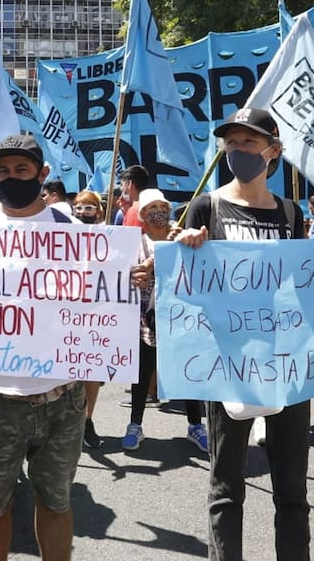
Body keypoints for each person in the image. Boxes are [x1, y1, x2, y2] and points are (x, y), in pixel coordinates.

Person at [0, 134, 145, 561]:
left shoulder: (73, 231)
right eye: (2, 171)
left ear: (42, 174)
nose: (10, 178)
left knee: (56, 504)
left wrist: (131, 280)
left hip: (62, 400)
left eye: (21, 170)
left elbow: (107, 289)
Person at [174, 107, 314, 561]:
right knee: (226, 486)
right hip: (227, 363)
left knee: (292, 488)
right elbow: (182, 289)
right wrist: (184, 250)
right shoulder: (206, 206)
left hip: (286, 363)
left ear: (273, 152)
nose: (238, 151)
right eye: (231, 143)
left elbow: (305, 284)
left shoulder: (291, 214)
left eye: (249, 143)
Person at [122, 188, 206, 453]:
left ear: (170, 210)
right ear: (143, 215)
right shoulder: (134, 244)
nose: (158, 212)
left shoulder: (183, 236)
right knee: (142, 374)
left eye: (162, 207)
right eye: (151, 209)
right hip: (148, 321)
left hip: (183, 318)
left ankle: (196, 425)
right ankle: (135, 424)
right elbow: (125, 276)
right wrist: (136, 277)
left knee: (190, 372)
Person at [69, 189, 105, 448]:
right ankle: (69, 423)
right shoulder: (63, 232)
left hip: (97, 312)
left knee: (92, 371)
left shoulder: (110, 235)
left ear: (98, 210)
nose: (82, 212)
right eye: (79, 207)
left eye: (88, 208)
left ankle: (87, 419)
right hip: (67, 311)